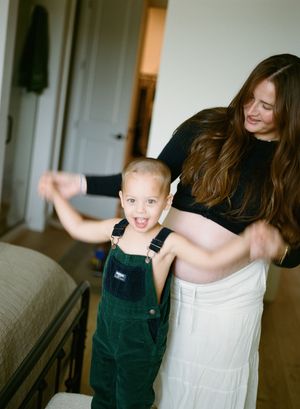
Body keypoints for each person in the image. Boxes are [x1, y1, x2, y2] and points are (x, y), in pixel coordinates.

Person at [40, 54, 300, 408]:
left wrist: (276, 247)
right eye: (249, 97)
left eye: (267, 105)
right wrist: (77, 183)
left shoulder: (293, 165)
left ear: (292, 111)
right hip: (160, 289)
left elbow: (294, 252)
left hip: (228, 301)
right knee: (147, 380)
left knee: (206, 388)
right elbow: (147, 178)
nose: (251, 110)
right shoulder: (209, 126)